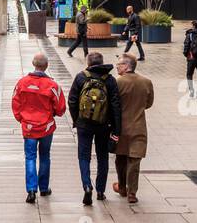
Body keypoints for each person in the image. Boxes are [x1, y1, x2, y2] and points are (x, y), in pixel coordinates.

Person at [11, 52, 67, 204]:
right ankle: (43, 187)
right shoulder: (52, 85)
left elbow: (15, 103)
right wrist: (52, 113)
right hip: (46, 127)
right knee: (45, 156)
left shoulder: (22, 83)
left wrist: (21, 118)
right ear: (46, 66)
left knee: (30, 157)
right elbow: (61, 108)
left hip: (29, 127)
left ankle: (31, 189)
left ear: (33, 64)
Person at [68, 51, 122, 206]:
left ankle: (86, 185)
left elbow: (72, 101)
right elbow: (116, 106)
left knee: (84, 156)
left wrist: (76, 120)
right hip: (104, 125)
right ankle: (100, 191)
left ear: (88, 62)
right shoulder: (110, 80)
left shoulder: (81, 77)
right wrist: (116, 129)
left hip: (84, 124)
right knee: (102, 157)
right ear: (102, 61)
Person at [112, 54, 154, 203]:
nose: (116, 66)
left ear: (126, 66)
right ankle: (132, 193)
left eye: (119, 64)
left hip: (121, 127)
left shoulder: (118, 82)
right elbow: (148, 104)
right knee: (134, 160)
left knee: (120, 158)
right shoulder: (146, 82)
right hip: (138, 127)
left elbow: (113, 105)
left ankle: (122, 186)